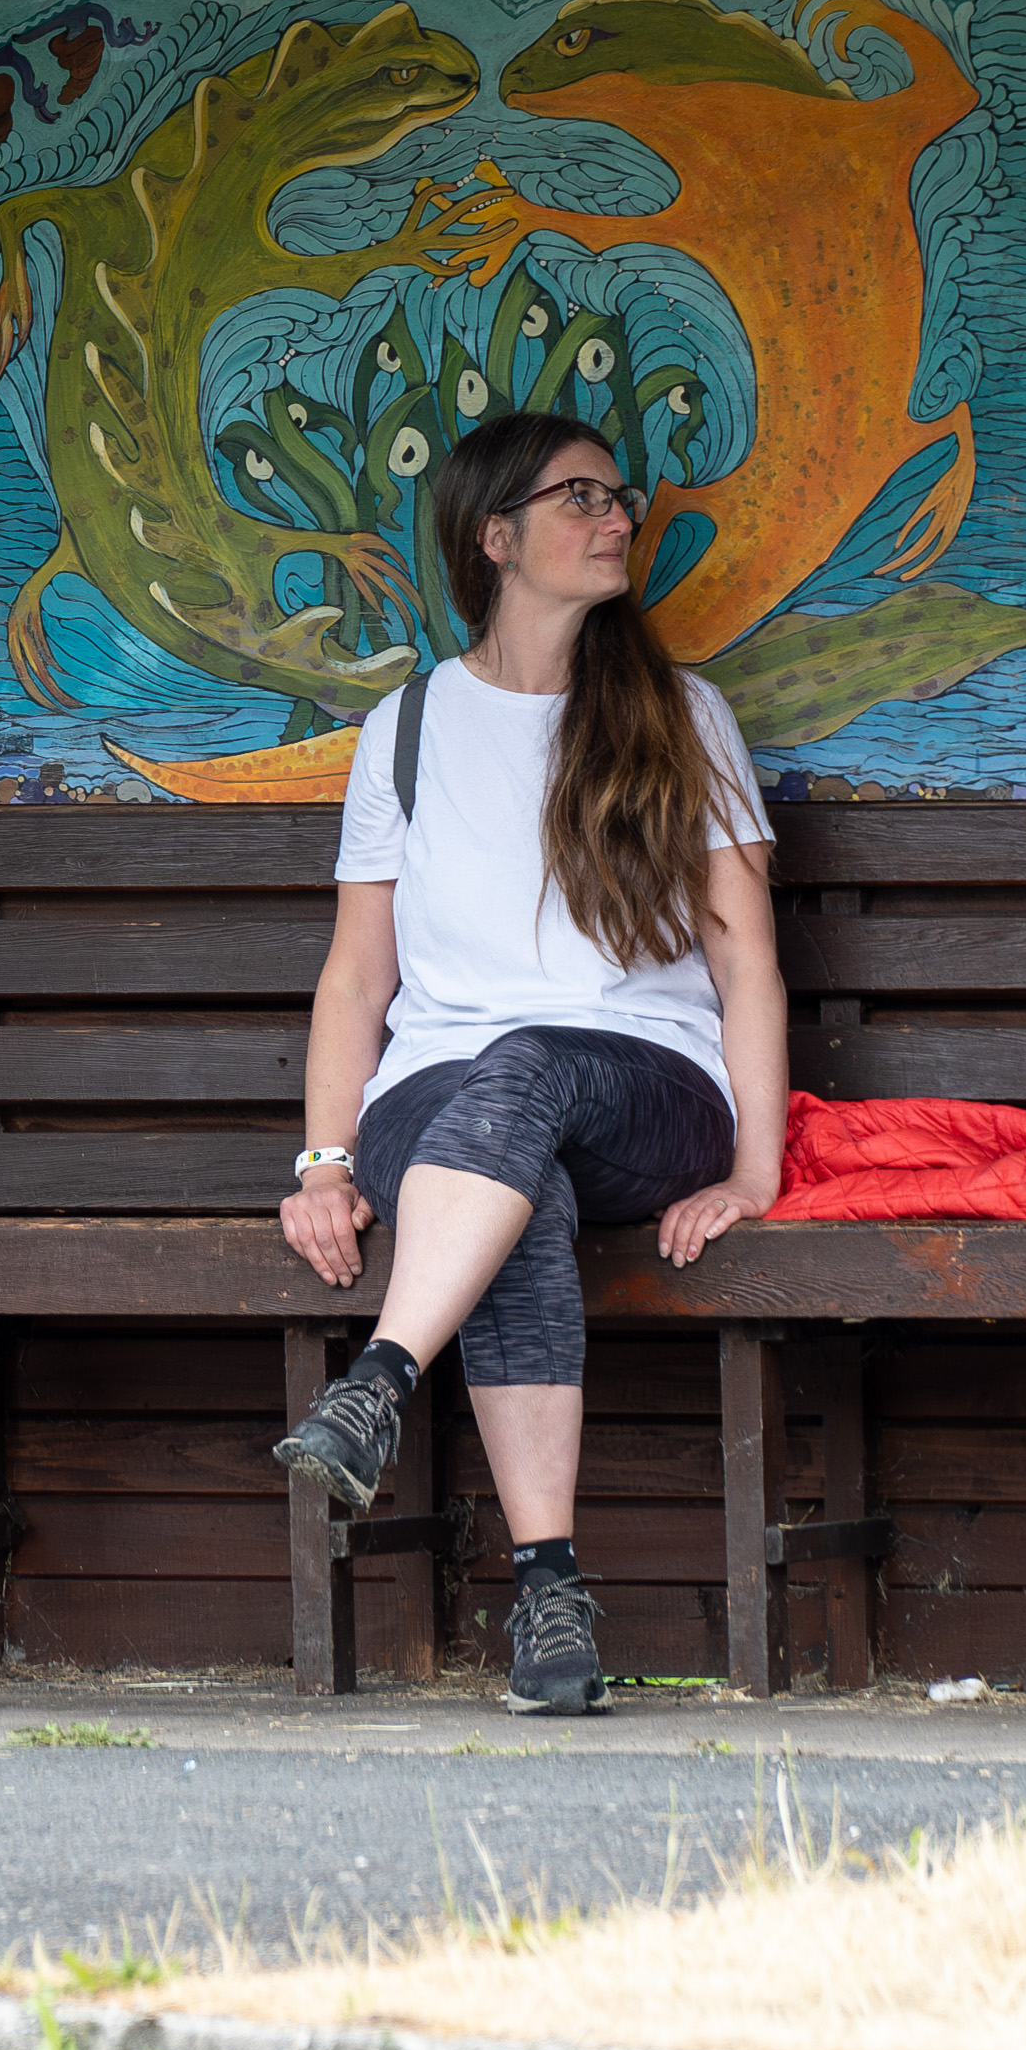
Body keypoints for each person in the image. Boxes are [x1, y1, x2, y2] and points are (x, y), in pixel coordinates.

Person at [269, 411, 789, 1713]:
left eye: (620, 497)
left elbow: (745, 969)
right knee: (517, 1186)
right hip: (440, 1105)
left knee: (528, 1071)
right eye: (580, 499)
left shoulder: (683, 718)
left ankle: (380, 1378)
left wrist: (757, 1172)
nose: (616, 518)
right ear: (494, 537)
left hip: (644, 1089)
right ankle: (550, 1602)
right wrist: (326, 1162)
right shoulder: (405, 730)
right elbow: (358, 976)